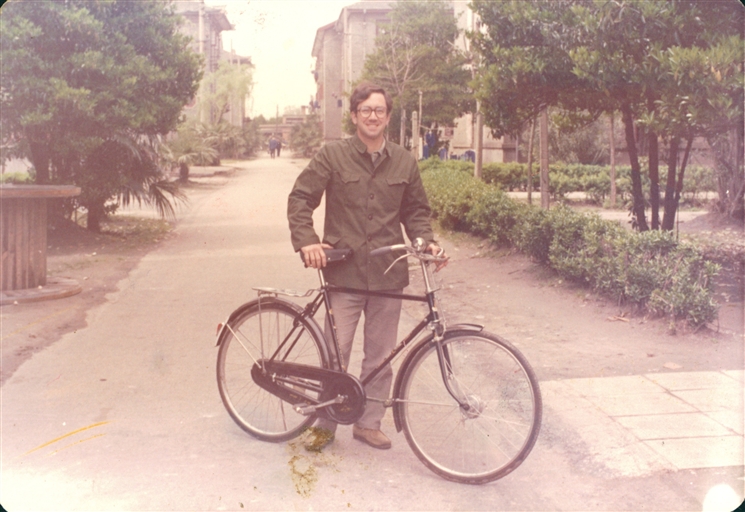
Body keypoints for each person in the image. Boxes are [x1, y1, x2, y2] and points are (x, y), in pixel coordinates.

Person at [288, 82, 447, 451]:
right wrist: (308, 241)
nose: (372, 116)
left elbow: (416, 212)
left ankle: (369, 423)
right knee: (336, 352)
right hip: (344, 274)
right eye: (365, 110)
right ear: (355, 115)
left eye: (379, 110)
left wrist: (428, 242)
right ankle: (324, 423)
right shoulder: (333, 156)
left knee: (381, 355)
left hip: (389, 273)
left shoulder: (405, 161)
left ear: (388, 117)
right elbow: (300, 198)